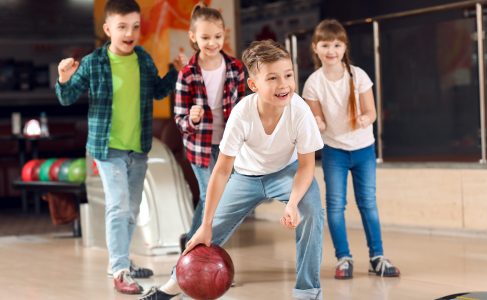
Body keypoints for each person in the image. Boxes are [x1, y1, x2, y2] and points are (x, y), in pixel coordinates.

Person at [140, 40, 325, 300]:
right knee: (206, 232)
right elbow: (222, 170)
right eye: (272, 78)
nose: (283, 85)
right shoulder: (242, 113)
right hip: (246, 176)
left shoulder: (300, 110)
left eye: (288, 75)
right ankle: (172, 286)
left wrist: (293, 203)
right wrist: (205, 224)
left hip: (287, 172)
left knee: (311, 211)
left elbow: (307, 166)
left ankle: (307, 292)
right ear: (253, 85)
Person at [55, 0, 185, 294]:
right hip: (107, 149)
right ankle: (120, 270)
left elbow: (159, 90)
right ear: (108, 29)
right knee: (119, 205)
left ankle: (122, 260)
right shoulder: (93, 62)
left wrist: (175, 71)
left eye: (135, 26)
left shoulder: (142, 58)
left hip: (137, 149)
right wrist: (64, 79)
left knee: (132, 208)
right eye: (122, 26)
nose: (130, 32)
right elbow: (68, 97)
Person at [302, 19, 400, 279]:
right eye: (325, 45)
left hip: (363, 150)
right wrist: (318, 123)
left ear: (344, 47)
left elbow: (372, 112)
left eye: (337, 44)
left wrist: (364, 119)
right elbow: (317, 119)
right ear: (315, 48)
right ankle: (343, 258)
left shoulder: (358, 76)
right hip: (334, 152)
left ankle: (377, 257)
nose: (331, 50)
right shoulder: (313, 83)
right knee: (335, 206)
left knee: (367, 203)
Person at [174, 2, 245, 252]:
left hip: (229, 146)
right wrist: (192, 119)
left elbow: (246, 108)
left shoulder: (236, 68)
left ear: (224, 34)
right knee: (211, 197)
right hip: (199, 148)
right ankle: (202, 254)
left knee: (219, 199)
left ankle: (192, 243)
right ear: (193, 37)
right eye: (205, 37)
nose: (212, 43)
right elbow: (180, 119)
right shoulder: (187, 73)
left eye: (217, 36)